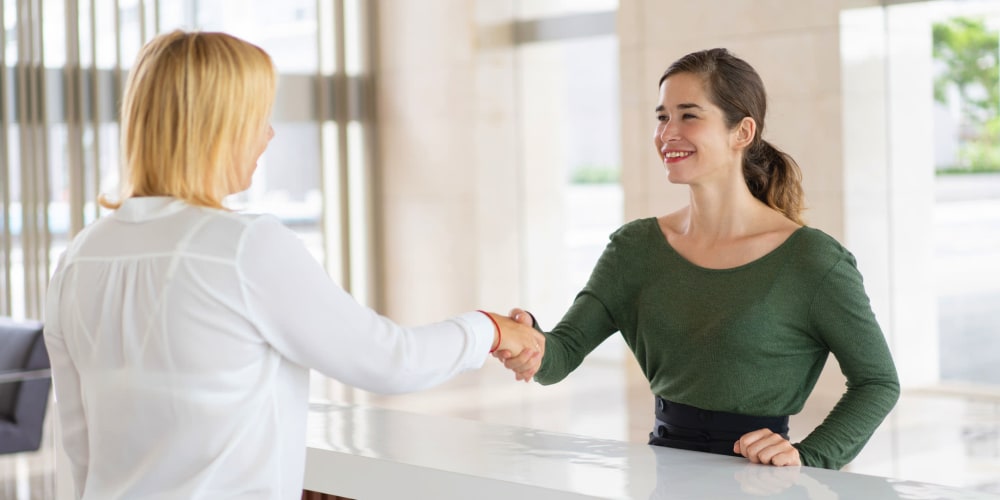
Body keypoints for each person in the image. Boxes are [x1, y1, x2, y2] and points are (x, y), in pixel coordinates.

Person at [43, 30, 544, 499]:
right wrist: (491, 330)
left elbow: (79, 450)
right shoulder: (242, 246)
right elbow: (391, 360)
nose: (269, 135)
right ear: (218, 127)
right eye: (257, 116)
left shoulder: (79, 257)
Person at [497, 48, 900, 470]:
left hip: (761, 483)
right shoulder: (633, 248)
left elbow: (878, 382)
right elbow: (560, 356)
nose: (667, 132)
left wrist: (810, 456)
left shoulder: (812, 260)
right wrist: (527, 343)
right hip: (664, 475)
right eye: (662, 117)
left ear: (742, 132)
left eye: (688, 115)